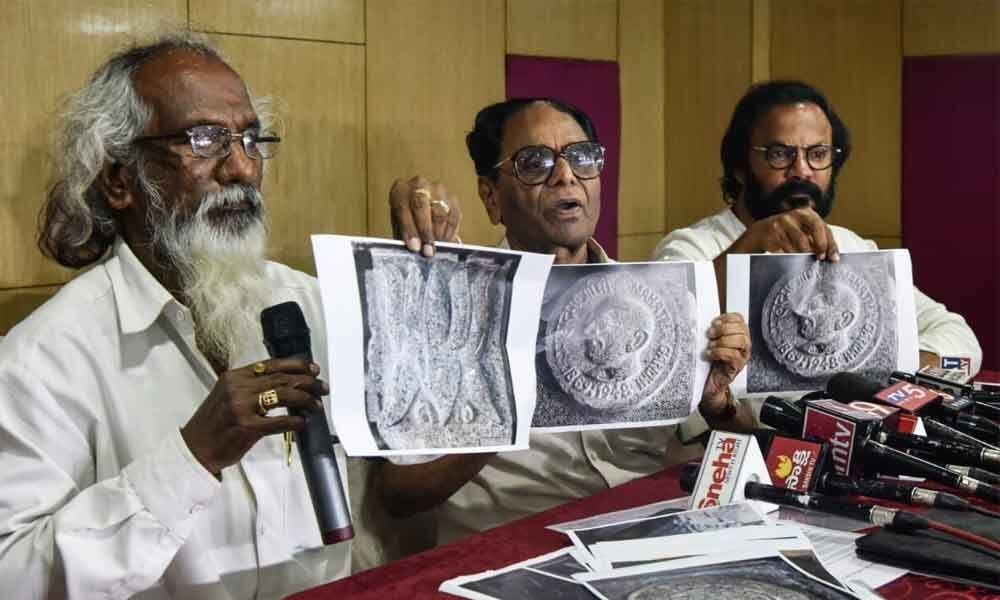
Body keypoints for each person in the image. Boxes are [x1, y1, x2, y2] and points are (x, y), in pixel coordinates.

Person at [0, 34, 350, 599]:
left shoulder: (311, 304)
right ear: (120, 180)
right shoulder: (43, 361)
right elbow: (12, 577)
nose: (241, 167)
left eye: (250, 138)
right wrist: (193, 456)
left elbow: (402, 485)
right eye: (205, 139)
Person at [373, 98, 755, 547]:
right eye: (534, 162)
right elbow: (398, 494)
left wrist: (716, 405)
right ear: (491, 195)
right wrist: (507, 416)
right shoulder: (449, 314)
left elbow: (737, 451)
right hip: (514, 551)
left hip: (647, 536)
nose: (565, 175)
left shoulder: (660, 303)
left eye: (582, 157)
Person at [652, 80, 982, 375]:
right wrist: (751, 244)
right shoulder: (691, 248)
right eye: (780, 154)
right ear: (739, 166)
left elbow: (961, 342)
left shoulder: (849, 246)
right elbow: (664, 344)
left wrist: (887, 370)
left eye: (818, 154)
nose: (802, 171)